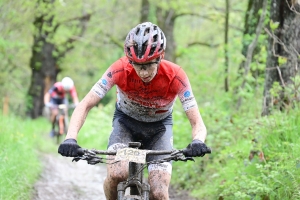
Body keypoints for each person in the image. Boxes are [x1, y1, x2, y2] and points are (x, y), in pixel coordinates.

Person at [58, 22, 210, 200]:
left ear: (160, 57)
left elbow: (197, 122)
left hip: (159, 130)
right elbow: (85, 104)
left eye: (148, 65)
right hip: (125, 125)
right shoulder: (119, 68)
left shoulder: (176, 75)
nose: (143, 72)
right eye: (137, 65)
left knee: (159, 192)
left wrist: (198, 141)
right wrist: (70, 137)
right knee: (117, 174)